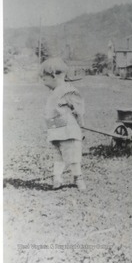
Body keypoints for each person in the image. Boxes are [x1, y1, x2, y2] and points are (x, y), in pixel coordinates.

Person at [40, 57, 86, 191]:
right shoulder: (54, 92)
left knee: (72, 155)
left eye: (44, 79)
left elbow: (78, 108)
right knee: (58, 155)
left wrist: (80, 121)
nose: (43, 82)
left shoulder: (68, 91)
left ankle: (78, 177)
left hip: (68, 130)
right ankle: (57, 178)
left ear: (54, 75)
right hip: (55, 130)